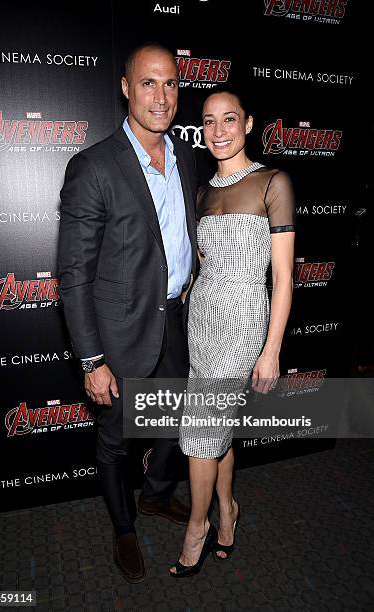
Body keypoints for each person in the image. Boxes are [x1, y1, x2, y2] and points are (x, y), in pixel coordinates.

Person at [57, 42, 198, 583]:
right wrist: (92, 360)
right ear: (125, 88)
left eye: (170, 84)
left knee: (173, 424)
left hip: (174, 321)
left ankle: (157, 496)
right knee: (117, 440)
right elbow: (74, 274)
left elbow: (175, 238)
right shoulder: (92, 167)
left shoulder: (185, 156)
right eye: (148, 83)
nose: (161, 97)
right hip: (117, 335)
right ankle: (123, 526)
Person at [170, 89, 295, 577]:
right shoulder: (201, 191)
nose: (218, 130)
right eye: (208, 121)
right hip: (201, 320)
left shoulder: (272, 182)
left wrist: (272, 349)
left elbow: (283, 277)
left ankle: (195, 527)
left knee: (201, 431)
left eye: (229, 120)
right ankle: (227, 513)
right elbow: (202, 264)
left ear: (247, 124)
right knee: (218, 429)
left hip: (244, 322)